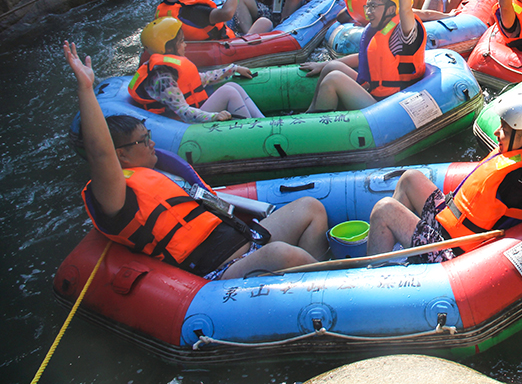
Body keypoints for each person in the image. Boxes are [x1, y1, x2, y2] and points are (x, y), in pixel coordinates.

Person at [66, 41, 329, 279]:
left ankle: (315, 286)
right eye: (143, 141)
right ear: (120, 155)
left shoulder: (164, 173)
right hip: (217, 269)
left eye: (149, 137)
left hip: (247, 239)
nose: (153, 143)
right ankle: (323, 283)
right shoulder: (116, 197)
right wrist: (86, 89)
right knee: (282, 255)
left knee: (310, 207)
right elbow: (101, 154)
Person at [365, 35, 522, 261]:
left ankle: (374, 275)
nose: (498, 133)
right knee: (410, 178)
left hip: (453, 249)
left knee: (384, 210)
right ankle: (400, 247)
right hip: (448, 224)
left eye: (506, 131)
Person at [301, 0, 426, 112]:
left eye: (374, 6)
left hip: (391, 104)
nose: (368, 11)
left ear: (390, 9)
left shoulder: (403, 32)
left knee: (334, 79)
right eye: (369, 5)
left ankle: (312, 124)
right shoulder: (379, 27)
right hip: (375, 92)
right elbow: (365, 57)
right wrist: (324, 64)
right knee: (331, 68)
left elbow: (406, 10)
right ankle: (307, 114)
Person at [129, 17, 264, 122]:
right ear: (168, 48)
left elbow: (203, 79)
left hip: (189, 115)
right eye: (181, 41)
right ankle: (253, 129)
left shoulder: (168, 68)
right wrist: (214, 116)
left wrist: (233, 69)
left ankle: (262, 122)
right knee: (228, 91)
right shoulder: (162, 78)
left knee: (232, 85)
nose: (185, 45)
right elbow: (183, 111)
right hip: (180, 125)